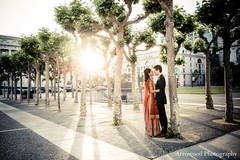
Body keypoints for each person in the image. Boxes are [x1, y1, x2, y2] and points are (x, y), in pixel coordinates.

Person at [143, 68, 161, 137]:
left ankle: (152, 131)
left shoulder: (149, 80)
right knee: (151, 113)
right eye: (151, 71)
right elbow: (151, 91)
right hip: (151, 99)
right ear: (149, 73)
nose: (152, 72)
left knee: (151, 113)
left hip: (151, 99)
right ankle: (153, 132)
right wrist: (158, 90)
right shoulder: (149, 81)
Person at [154, 65, 168, 136]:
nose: (154, 72)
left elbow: (161, 90)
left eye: (155, 70)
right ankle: (164, 128)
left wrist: (153, 90)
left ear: (158, 70)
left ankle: (164, 129)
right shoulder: (160, 78)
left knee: (162, 114)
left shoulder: (161, 78)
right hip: (160, 99)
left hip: (160, 99)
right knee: (161, 114)